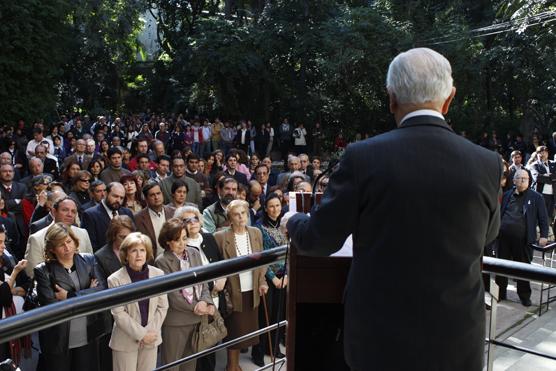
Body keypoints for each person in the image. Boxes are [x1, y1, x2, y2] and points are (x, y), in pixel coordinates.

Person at [285, 48, 501, 371]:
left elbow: (319, 240)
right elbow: (488, 235)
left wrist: (294, 221)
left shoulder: (362, 158)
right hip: (456, 341)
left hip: (379, 343)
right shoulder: (487, 163)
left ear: (392, 99)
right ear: (450, 99)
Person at [34, 223, 105, 371]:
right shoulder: (43, 271)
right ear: (52, 249)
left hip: (88, 333)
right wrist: (88, 293)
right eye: (61, 244)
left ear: (75, 241)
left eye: (69, 241)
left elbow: (102, 291)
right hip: (59, 339)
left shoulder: (89, 260)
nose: (67, 248)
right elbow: (50, 305)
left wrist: (69, 296)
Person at [214, 200, 268, 371]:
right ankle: (232, 366)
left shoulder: (256, 233)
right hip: (232, 291)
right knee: (234, 331)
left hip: (252, 289)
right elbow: (217, 264)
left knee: (245, 332)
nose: (240, 217)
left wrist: (262, 281)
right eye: (236, 214)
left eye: (243, 213)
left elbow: (261, 261)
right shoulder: (221, 236)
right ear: (230, 217)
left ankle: (235, 365)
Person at [155, 218, 215, 371]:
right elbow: (172, 295)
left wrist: (205, 301)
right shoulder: (161, 261)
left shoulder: (194, 253)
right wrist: (198, 307)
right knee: (172, 366)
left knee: (190, 365)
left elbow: (204, 281)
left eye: (184, 238)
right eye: (176, 240)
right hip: (176, 322)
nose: (182, 243)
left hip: (196, 318)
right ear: (167, 241)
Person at [107, 232, 169, 371]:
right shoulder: (115, 279)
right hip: (125, 342)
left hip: (151, 338)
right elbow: (118, 313)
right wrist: (142, 335)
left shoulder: (158, 274)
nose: (139, 254)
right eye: (134, 251)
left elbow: (163, 306)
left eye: (142, 250)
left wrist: (149, 333)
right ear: (126, 255)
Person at [495, 169, 549, 306]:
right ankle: (500, 293)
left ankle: (524, 296)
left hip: (523, 240)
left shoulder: (536, 197)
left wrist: (543, 235)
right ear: (514, 180)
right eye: (520, 178)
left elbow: (543, 218)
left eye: (526, 178)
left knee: (523, 269)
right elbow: (500, 213)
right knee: (501, 267)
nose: (524, 180)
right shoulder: (507, 195)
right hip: (503, 238)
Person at [251, 194, 287, 367]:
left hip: (284, 276)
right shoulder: (259, 228)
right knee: (265, 316)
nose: (275, 209)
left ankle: (273, 347)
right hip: (266, 277)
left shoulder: (285, 225)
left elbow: (290, 250)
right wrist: (273, 279)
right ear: (265, 208)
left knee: (279, 315)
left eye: (278, 206)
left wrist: (286, 275)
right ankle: (259, 351)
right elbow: (261, 256)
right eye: (271, 206)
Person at [24, 197, 93, 278]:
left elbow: (91, 264)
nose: (70, 214)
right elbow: (32, 273)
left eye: (73, 211)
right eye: (65, 210)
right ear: (54, 212)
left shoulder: (83, 233)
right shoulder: (37, 239)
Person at [81, 182, 134, 251]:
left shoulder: (127, 212)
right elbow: (91, 245)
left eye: (121, 198)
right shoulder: (90, 215)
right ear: (105, 194)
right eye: (115, 196)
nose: (118, 200)